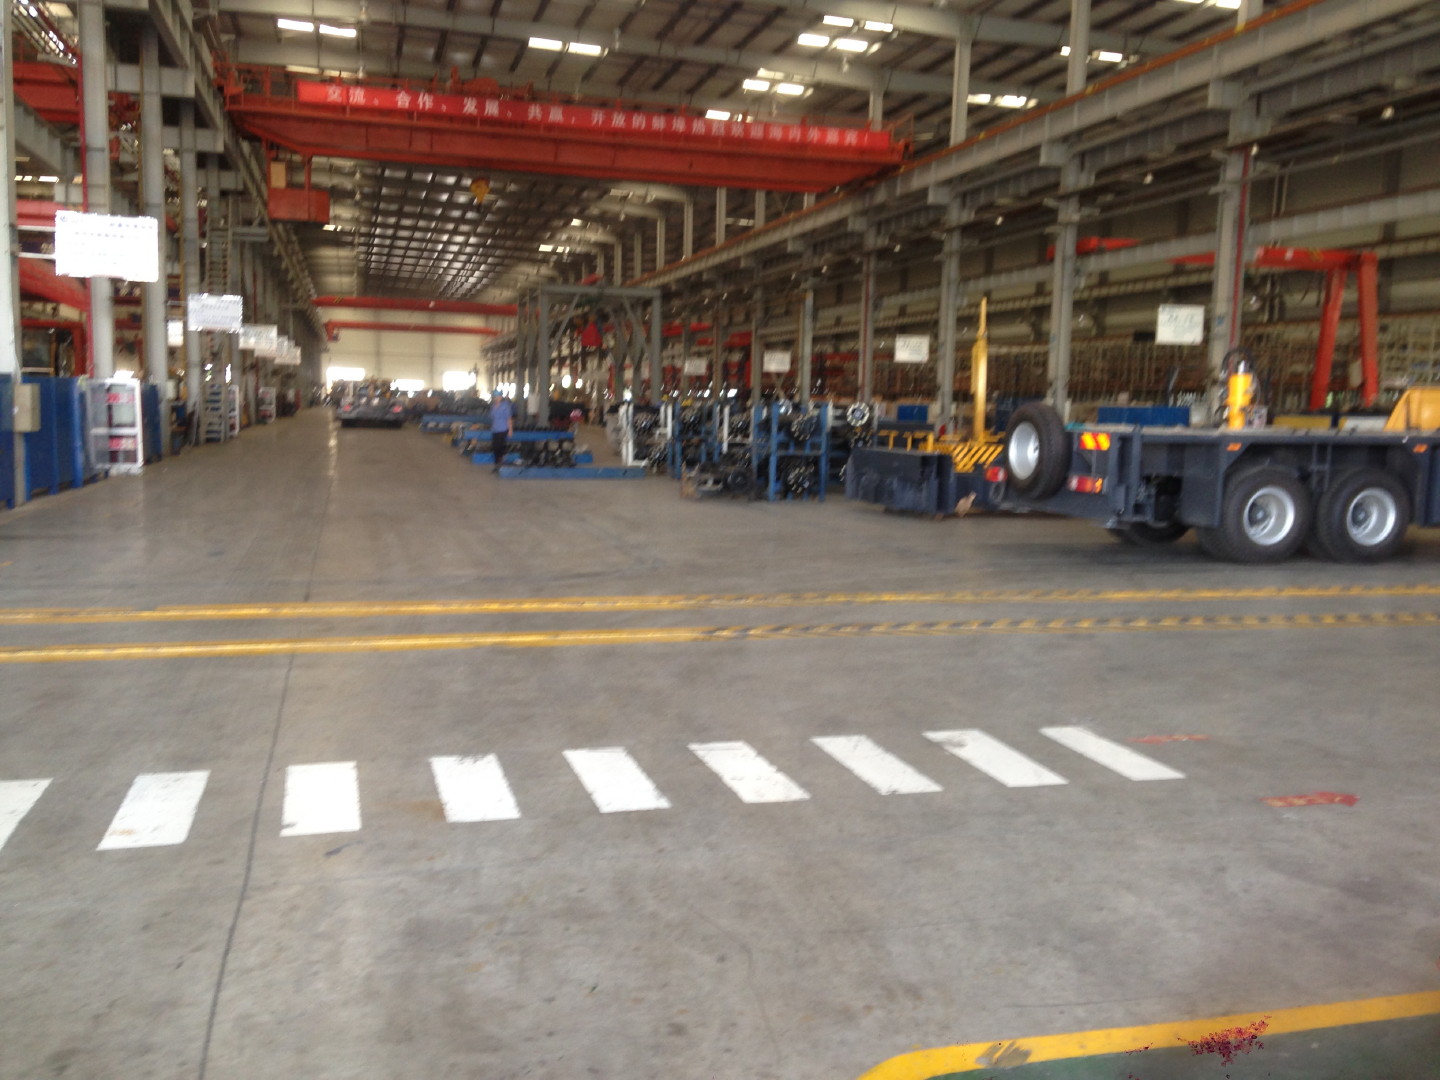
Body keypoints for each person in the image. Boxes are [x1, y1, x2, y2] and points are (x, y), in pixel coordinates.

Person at [489, 390, 514, 473]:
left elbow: (509, 418)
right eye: (495, 396)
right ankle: (496, 464)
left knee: (500, 447)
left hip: (502, 429)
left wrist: (510, 430)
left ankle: (501, 464)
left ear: (501, 397)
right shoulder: (493, 406)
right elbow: (492, 418)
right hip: (495, 429)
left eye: (498, 396)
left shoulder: (505, 406)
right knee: (495, 447)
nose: (496, 398)